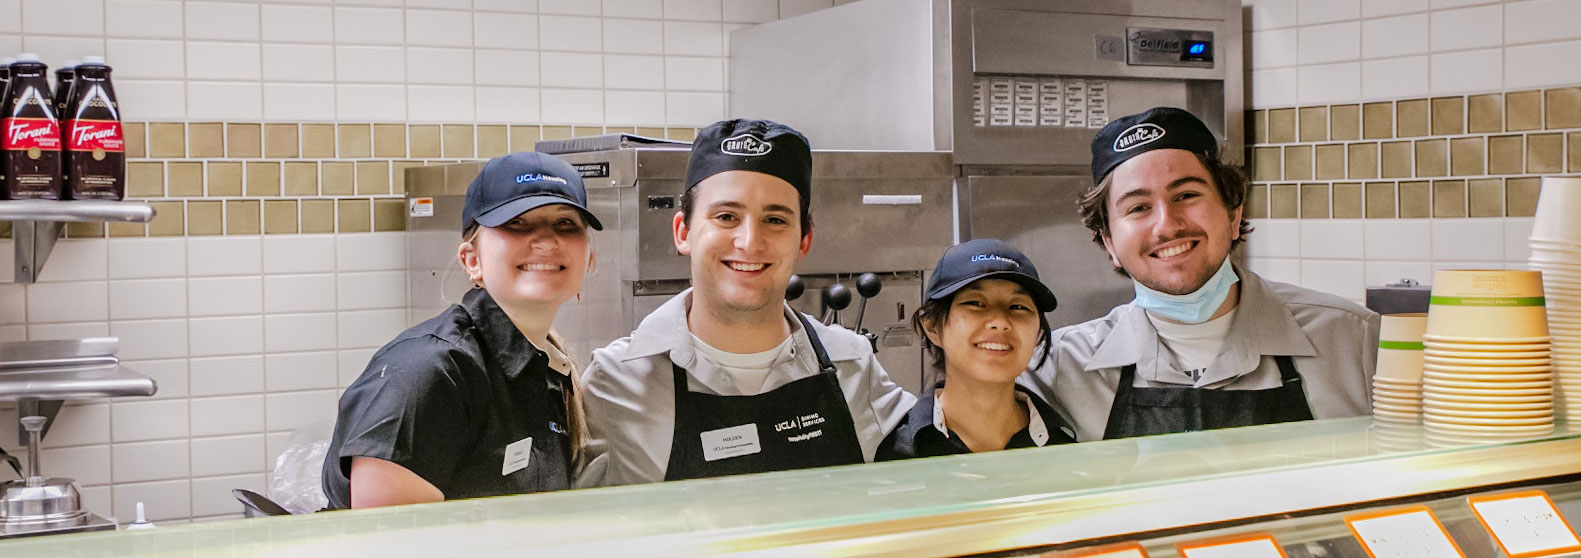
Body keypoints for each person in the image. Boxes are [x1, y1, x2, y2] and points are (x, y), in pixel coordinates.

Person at [578, 119, 916, 485]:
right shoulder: (615, 382)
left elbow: (931, 473)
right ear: (683, 233)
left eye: (775, 219)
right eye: (726, 217)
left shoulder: (853, 365)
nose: (750, 242)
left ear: (804, 240)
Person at [1026, 107, 1378, 441]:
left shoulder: (1355, 341)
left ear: (1233, 212)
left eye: (1187, 195)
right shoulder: (1058, 368)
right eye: (1138, 207)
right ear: (1109, 242)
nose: (1167, 225)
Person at [321, 152, 602, 508]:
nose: (546, 241)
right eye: (517, 223)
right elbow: (391, 543)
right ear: (473, 260)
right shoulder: (429, 374)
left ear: (588, 259)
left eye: (565, 224)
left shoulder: (547, 369)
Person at [876, 239, 1077, 460]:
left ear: (1038, 333)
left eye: (1018, 306)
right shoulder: (897, 452)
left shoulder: (1064, 448)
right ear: (933, 326)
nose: (1000, 321)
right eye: (975, 303)